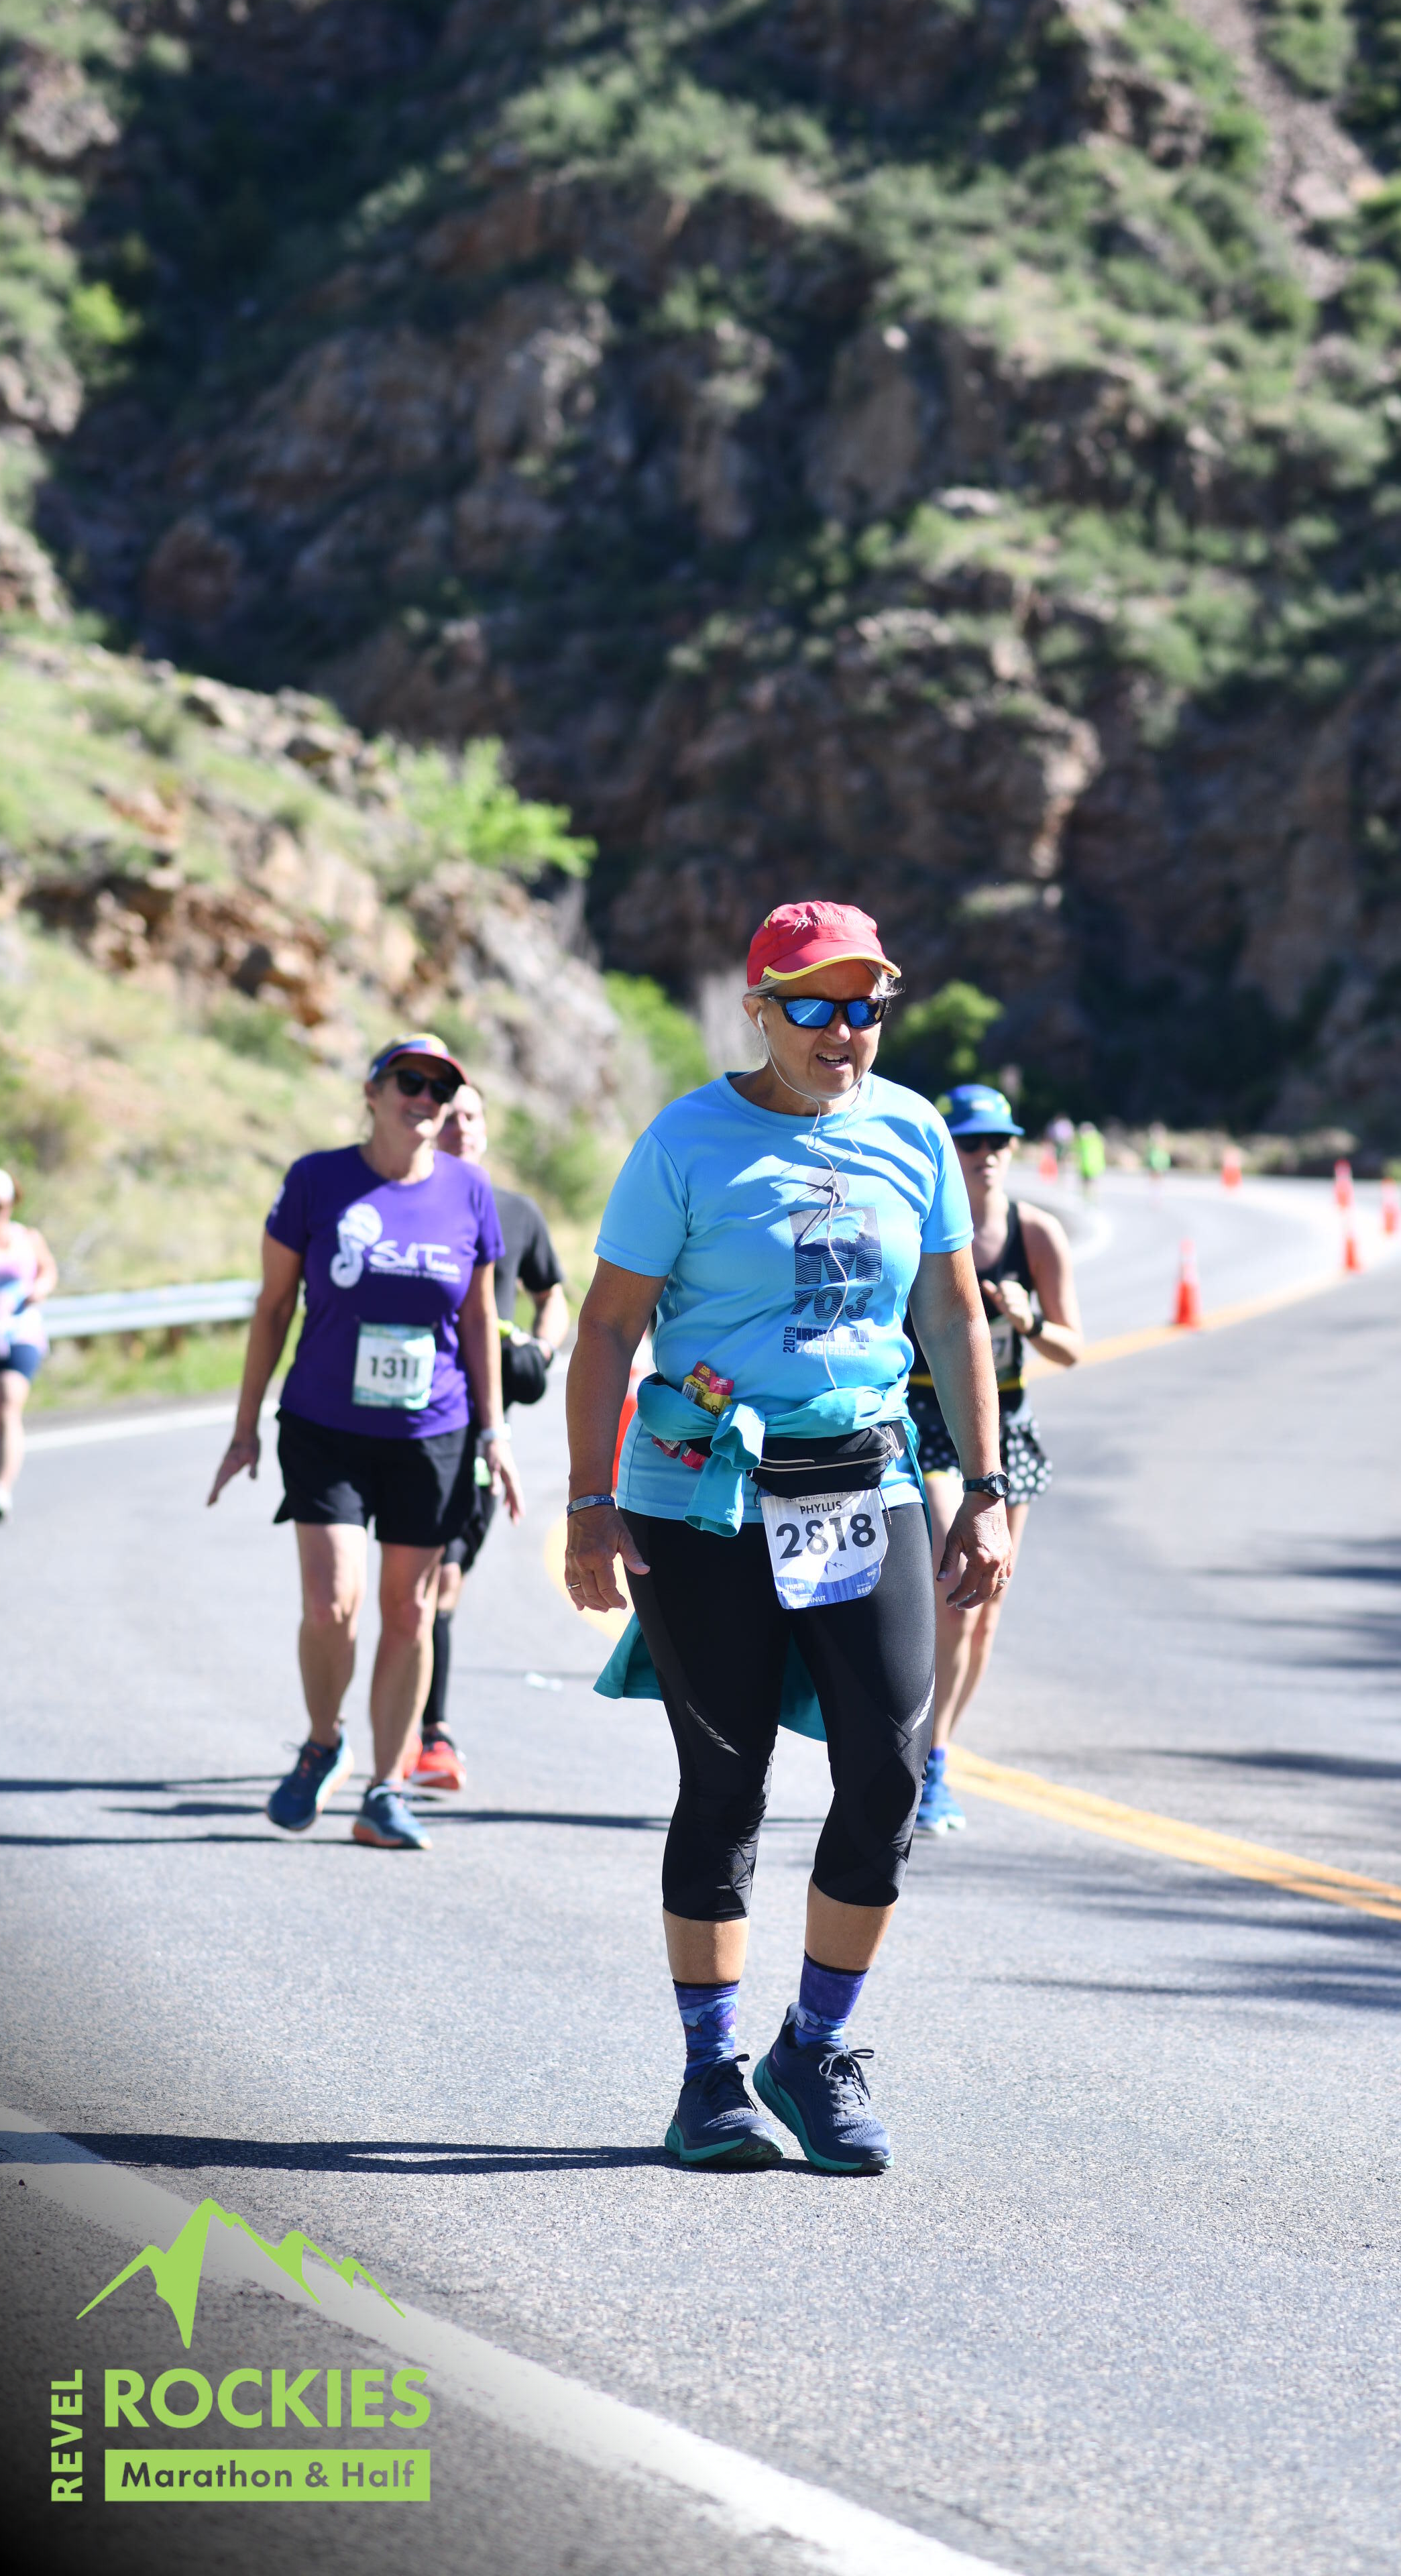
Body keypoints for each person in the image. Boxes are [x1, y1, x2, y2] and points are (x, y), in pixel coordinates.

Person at [565, 901, 1011, 2176]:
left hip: (863, 1481)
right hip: (702, 1495)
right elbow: (607, 1327)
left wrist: (983, 1487)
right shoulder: (686, 1141)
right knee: (727, 1784)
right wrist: (590, 1503)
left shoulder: (913, 1131)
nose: (842, 1028)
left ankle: (813, 2049)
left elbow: (950, 1313)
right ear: (757, 1010)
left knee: (888, 1773)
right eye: (812, 1003)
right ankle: (709, 2075)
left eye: (865, 1004)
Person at [207, 1035, 524, 1851]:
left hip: (432, 1432)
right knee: (330, 1602)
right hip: (325, 1427)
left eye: (440, 1089)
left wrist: (494, 1432)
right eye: (409, 1081)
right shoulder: (316, 1180)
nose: (425, 1099)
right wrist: (244, 1428)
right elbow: (273, 1307)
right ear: (372, 1092)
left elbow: (479, 1317)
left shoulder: (468, 1189)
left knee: (409, 1612)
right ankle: (323, 1743)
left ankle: (385, 1790)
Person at [906, 1086, 1082, 1834]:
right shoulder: (919, 1227)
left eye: (999, 1142)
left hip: (1005, 1421)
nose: (986, 1156)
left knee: (986, 1609)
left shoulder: (1035, 1235)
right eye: (970, 1143)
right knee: (955, 1585)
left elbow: (1071, 1347)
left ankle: (938, 1756)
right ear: (948, 1150)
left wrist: (1028, 1319)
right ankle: (921, 1756)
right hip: (926, 1417)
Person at [410, 1080, 569, 1793]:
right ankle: (427, 1733)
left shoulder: (516, 1212)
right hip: (410, 1424)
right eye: (449, 1117)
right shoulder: (405, 1205)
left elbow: (552, 1295)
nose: (461, 1128)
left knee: (441, 1582)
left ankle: (412, 1724)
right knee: (427, 1581)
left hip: (483, 1432)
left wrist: (540, 1348)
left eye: (471, 1115)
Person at [0, 1168, 57, 1523]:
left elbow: (48, 1270)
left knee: (8, 1402)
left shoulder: (28, 1238)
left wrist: (40, 1289)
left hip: (21, 1333)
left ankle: (2, 1488)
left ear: (11, 1204)